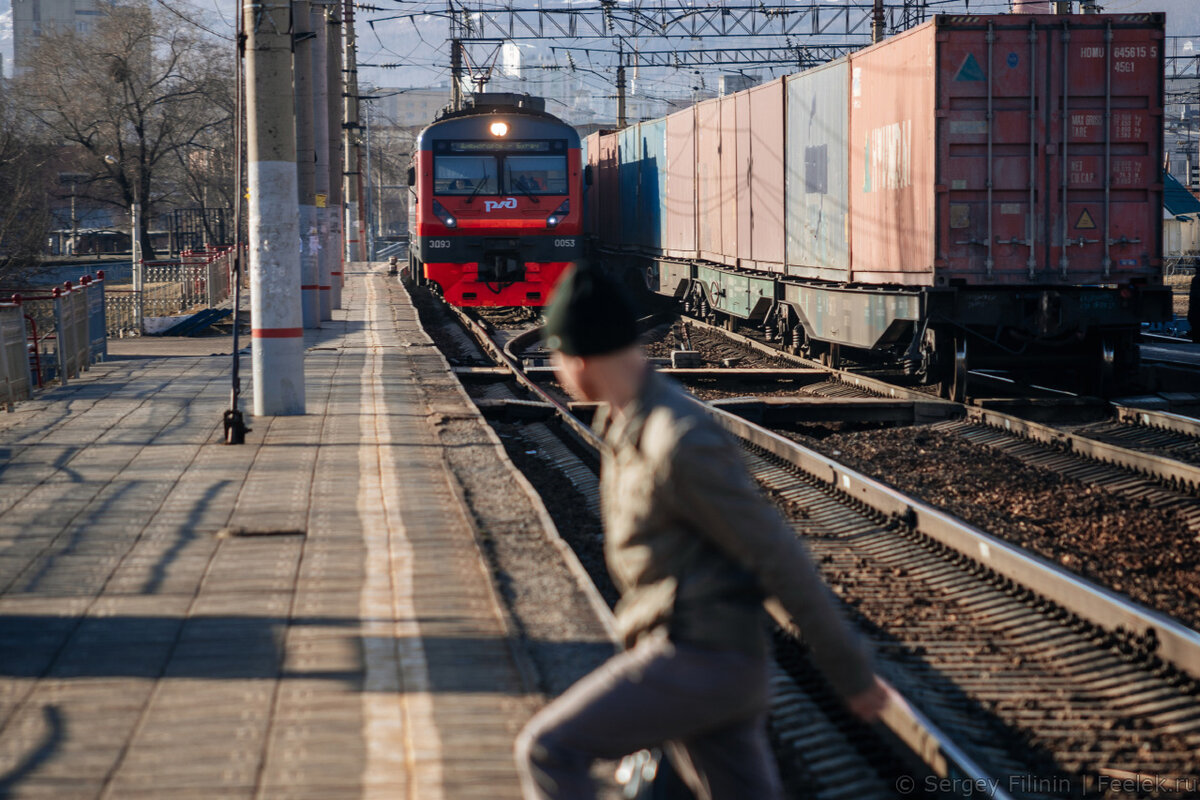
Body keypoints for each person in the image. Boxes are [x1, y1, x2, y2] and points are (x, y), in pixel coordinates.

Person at [515, 265, 889, 800]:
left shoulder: (680, 439)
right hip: (713, 665)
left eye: (555, 354)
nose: (555, 369)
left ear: (579, 357)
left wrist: (849, 672)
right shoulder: (627, 425)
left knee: (548, 749)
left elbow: (776, 553)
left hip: (698, 659)